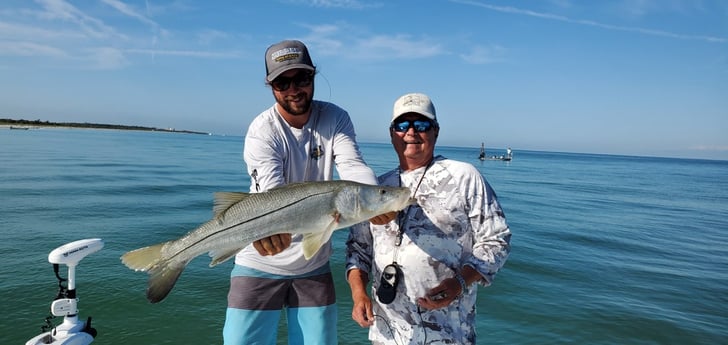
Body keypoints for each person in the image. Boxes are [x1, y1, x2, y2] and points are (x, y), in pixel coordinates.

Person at [223, 39, 382, 345]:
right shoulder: (262, 131)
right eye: (283, 82)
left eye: (302, 79)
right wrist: (272, 230)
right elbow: (274, 195)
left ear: (313, 77)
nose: (294, 89)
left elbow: (353, 167)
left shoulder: (335, 118)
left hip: (313, 264)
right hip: (259, 263)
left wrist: (376, 197)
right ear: (271, 86)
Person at [346, 93, 512, 344]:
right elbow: (358, 250)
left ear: (436, 131)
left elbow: (497, 241)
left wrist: (459, 282)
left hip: (448, 333)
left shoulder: (464, 177)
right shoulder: (376, 188)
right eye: (402, 125)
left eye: (421, 125)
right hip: (386, 333)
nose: (411, 132)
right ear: (392, 133)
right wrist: (359, 295)